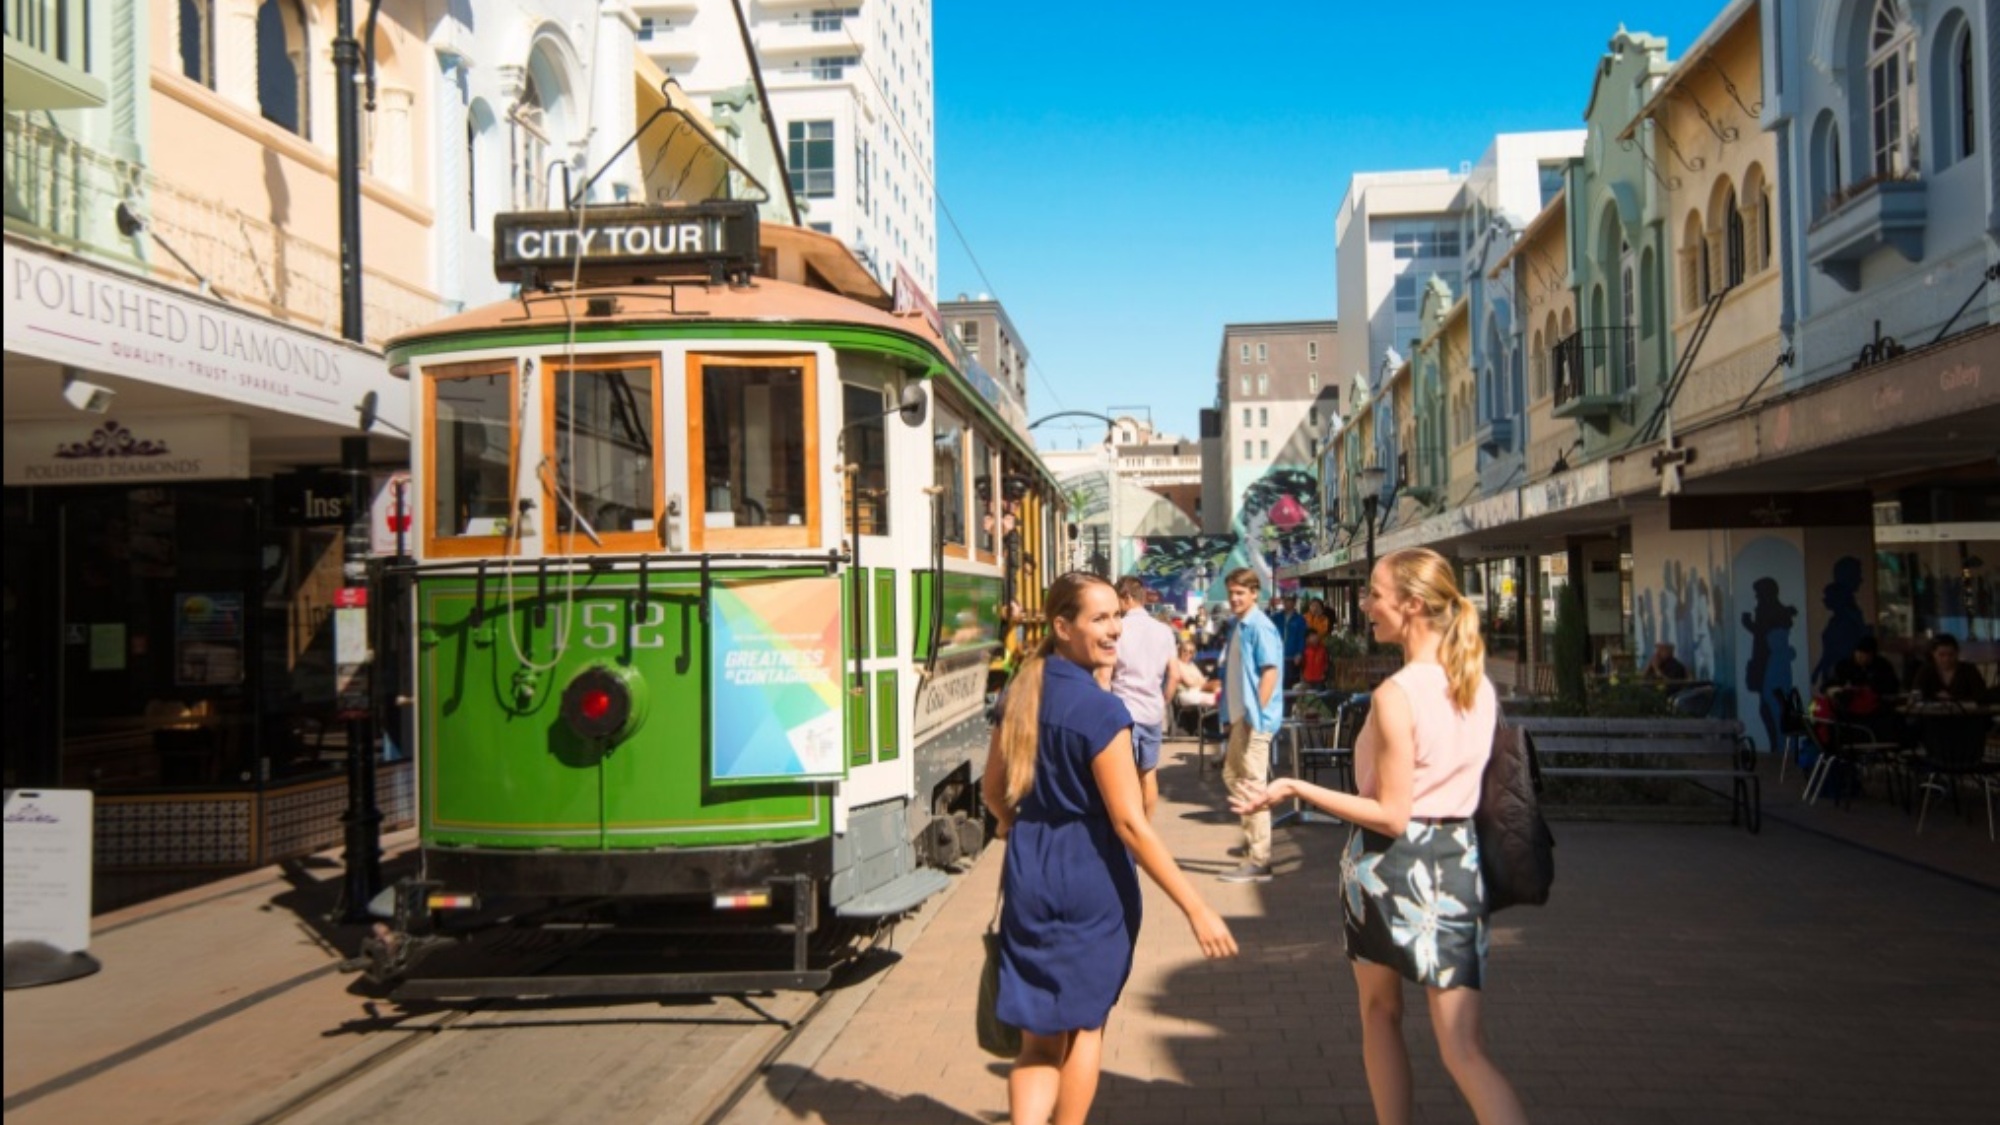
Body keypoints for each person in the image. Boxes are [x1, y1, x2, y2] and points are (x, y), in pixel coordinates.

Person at [1232, 547, 1527, 1125]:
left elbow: (1391, 814)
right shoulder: (1477, 685)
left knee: (1379, 1014)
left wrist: (1295, 787)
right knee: (1465, 1048)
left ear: (1412, 604)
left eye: (1374, 593)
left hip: (1387, 866)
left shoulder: (1397, 695)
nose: (1365, 605)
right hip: (1458, 864)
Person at [981, 572, 1238, 1125]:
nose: (1115, 629)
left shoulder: (1019, 693)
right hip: (1089, 878)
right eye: (1099, 619)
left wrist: (1010, 827)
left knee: (1038, 1041)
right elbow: (1130, 824)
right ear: (1062, 627)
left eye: (1116, 616)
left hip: (1030, 872)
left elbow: (993, 792)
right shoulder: (1101, 713)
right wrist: (1196, 907)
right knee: (1085, 1027)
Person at [1218, 568, 1285, 883]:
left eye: (1240, 593)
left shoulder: (1259, 626)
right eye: (1231, 593)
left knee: (1252, 785)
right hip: (1241, 719)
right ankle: (1255, 844)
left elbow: (1269, 672)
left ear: (1254, 593)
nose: (1234, 598)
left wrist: (1252, 716)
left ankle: (1259, 858)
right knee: (1234, 776)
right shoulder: (1241, 626)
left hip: (1253, 721)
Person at [1110, 576, 1177, 819]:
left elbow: (1107, 671)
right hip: (1152, 712)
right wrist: (1163, 702)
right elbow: (1174, 675)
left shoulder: (1118, 629)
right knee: (1148, 775)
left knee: (1124, 777)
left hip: (1123, 711)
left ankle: (1128, 829)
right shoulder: (1164, 631)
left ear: (1126, 598)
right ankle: (1145, 828)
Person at [1911, 633, 1988, 702]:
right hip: (1932, 712)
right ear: (1933, 654)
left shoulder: (1968, 669)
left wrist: (1953, 698)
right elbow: (1916, 694)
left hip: (1965, 712)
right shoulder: (1926, 670)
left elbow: (1982, 696)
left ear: (1957, 653)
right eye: (1941, 655)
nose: (1946, 659)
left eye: (1951, 654)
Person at [1272, 594, 1308, 689]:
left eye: (1289, 600)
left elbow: (1301, 637)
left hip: (1292, 657)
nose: (1286, 603)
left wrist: (1299, 653)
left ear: (1294, 603)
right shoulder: (1276, 617)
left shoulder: (1300, 619)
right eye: (1285, 600)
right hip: (1277, 656)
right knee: (1277, 683)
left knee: (1292, 684)